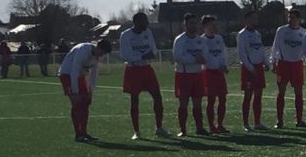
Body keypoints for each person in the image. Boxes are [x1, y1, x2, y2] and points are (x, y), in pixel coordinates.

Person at [118, 12, 169, 140]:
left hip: (147, 68)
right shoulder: (126, 35)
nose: (147, 23)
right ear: (137, 22)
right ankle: (137, 131)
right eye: (144, 21)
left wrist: (149, 55)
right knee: (134, 100)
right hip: (133, 69)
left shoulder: (148, 33)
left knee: (158, 97)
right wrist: (141, 56)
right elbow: (125, 54)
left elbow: (153, 49)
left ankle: (159, 127)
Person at [58, 39, 111, 142]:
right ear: (98, 47)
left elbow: (94, 73)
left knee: (86, 102)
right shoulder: (82, 51)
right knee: (77, 103)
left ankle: (84, 132)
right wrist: (75, 92)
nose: (101, 56)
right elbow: (74, 71)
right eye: (101, 52)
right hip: (68, 74)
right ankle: (78, 134)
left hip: (80, 75)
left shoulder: (98, 56)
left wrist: (91, 90)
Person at [172, 12, 209, 136]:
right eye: (191, 23)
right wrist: (194, 59)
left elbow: (205, 54)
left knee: (198, 102)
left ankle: (200, 128)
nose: (194, 26)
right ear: (185, 25)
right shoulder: (180, 39)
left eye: (195, 23)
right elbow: (177, 56)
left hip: (198, 74)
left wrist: (203, 59)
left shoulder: (200, 40)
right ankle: (182, 130)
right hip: (184, 74)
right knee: (183, 103)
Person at [270, 9, 306, 128]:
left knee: (299, 93)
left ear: (299, 19)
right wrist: (273, 61)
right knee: (281, 92)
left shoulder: (304, 32)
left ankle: (299, 120)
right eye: (289, 17)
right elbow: (275, 46)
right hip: (283, 64)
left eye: (293, 17)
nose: (290, 19)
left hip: (297, 64)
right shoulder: (281, 30)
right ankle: (279, 121)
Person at [235, 11, 268, 131]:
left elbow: (261, 49)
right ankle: (245, 123)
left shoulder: (257, 34)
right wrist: (250, 67)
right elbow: (242, 53)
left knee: (258, 96)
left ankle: (257, 123)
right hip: (248, 69)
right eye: (254, 18)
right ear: (247, 19)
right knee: (248, 96)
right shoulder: (242, 34)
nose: (256, 20)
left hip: (259, 68)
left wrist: (266, 62)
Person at [201, 15, 230, 134]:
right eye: (212, 24)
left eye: (215, 24)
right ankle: (211, 126)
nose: (214, 27)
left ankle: (220, 124)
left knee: (223, 98)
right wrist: (216, 66)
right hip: (209, 73)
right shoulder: (201, 40)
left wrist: (224, 65)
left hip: (219, 73)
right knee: (211, 100)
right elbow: (206, 56)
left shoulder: (219, 38)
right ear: (205, 26)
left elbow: (223, 53)